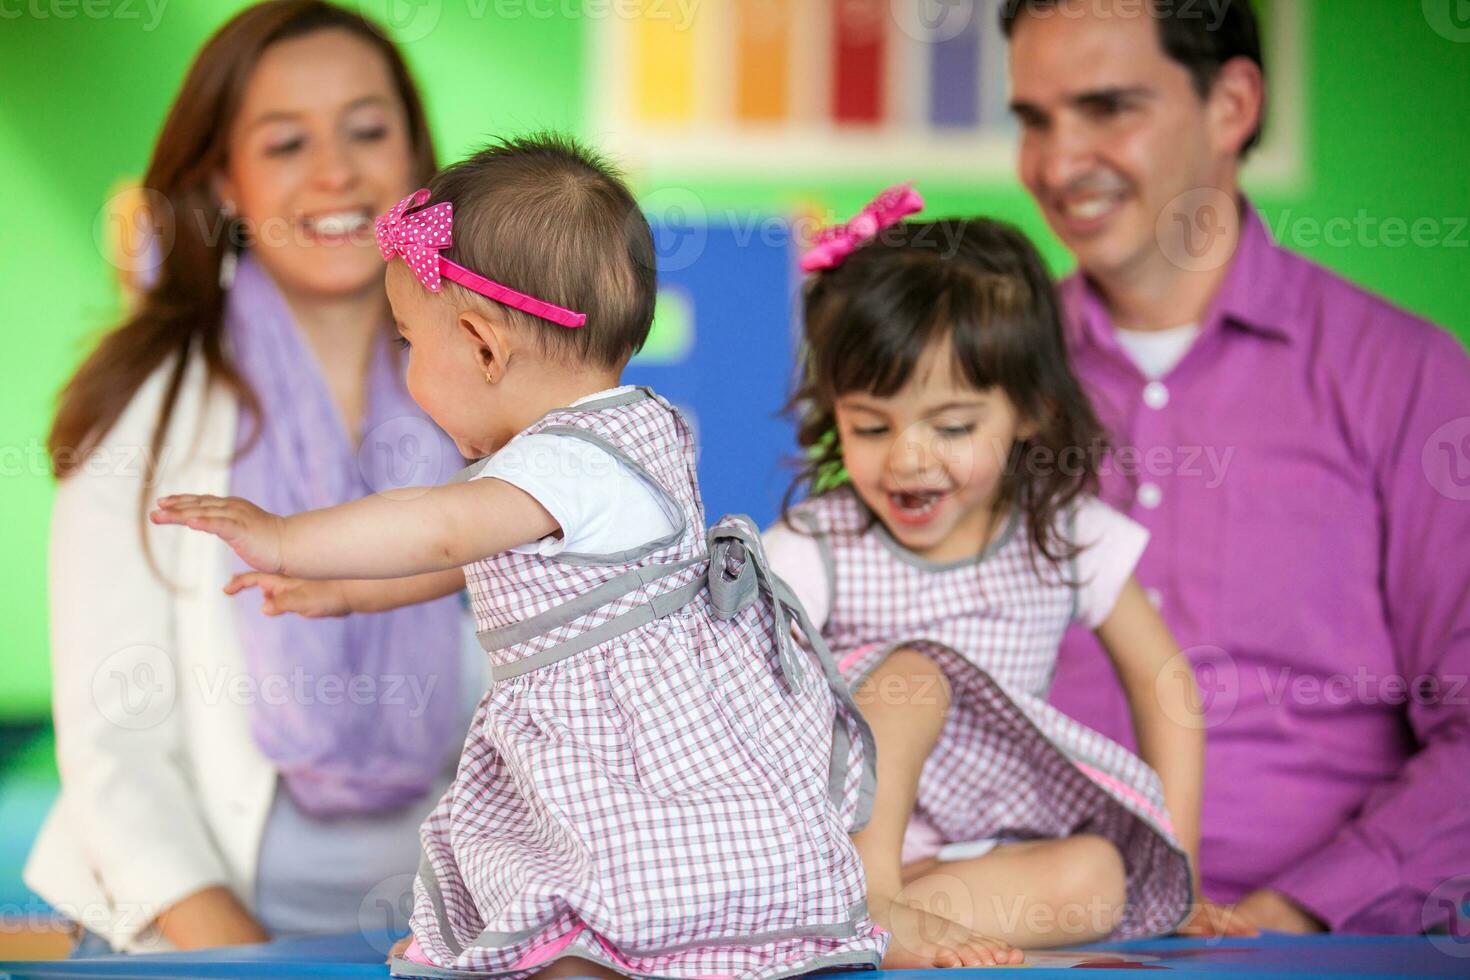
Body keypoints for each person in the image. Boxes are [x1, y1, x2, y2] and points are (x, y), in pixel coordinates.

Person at [151, 134, 904, 979]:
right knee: (574, 900)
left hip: (630, 765)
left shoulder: (567, 459)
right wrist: (351, 593)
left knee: (607, 921)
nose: (405, 369)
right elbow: (476, 556)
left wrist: (290, 535)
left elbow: (440, 527)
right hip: (628, 746)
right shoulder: (619, 432)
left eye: (408, 343)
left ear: (481, 344)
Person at [1003, 0, 1470, 933]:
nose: (1058, 165)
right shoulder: (980, 381)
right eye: (1034, 120)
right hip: (1017, 934)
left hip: (1326, 945)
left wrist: (1292, 916)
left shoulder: (1404, 376)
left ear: (1232, 105)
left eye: (1108, 108)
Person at [26, 0, 473, 954]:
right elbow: (114, 745)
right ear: (224, 181)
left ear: (416, 158)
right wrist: (240, 962)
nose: (335, 172)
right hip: (197, 937)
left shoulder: (495, 385)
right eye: (284, 143)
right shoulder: (143, 403)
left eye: (367, 130)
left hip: (458, 936)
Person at [763, 186, 1202, 952]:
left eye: (953, 425)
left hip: (982, 849)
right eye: (871, 425)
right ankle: (867, 899)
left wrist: (1184, 865)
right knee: (918, 676)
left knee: (1101, 873)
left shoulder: (1067, 538)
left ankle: (893, 926)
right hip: (840, 840)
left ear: (1029, 411)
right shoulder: (817, 547)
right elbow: (728, 689)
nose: (907, 458)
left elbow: (1165, 682)